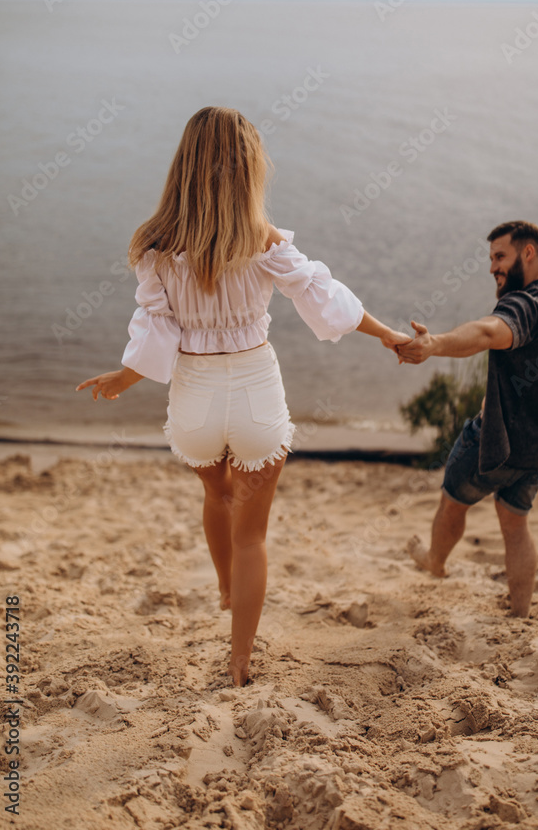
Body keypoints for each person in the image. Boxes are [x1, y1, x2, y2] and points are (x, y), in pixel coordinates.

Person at [76, 106, 409, 686]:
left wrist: (123, 378)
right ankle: (238, 663)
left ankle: (227, 589)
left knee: (217, 493)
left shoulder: (154, 247)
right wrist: (388, 336)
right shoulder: (263, 241)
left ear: (184, 164)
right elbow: (323, 299)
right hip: (254, 389)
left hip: (194, 402)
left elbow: (156, 330)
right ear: (248, 168)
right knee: (252, 533)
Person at [397, 220, 538, 617]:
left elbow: (488, 332)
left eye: (500, 257)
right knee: (515, 525)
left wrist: (433, 344)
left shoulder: (527, 304)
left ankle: (435, 560)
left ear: (528, 253)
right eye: (490, 259)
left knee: (452, 502)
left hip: (495, 442)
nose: (492, 268)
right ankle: (520, 612)